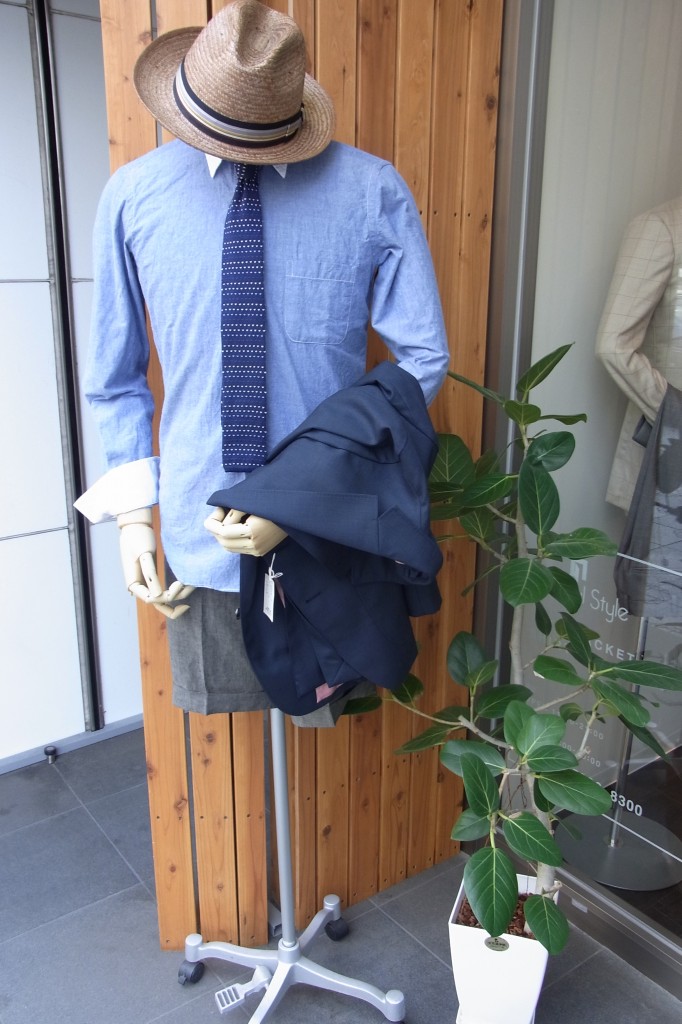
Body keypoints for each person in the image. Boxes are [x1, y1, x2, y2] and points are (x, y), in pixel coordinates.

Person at [76, 0, 449, 717]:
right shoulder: (134, 197)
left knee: (318, 709)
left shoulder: (370, 191)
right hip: (198, 532)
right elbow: (115, 376)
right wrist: (133, 520)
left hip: (327, 530)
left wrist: (302, 491)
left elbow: (423, 357)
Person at [596, 195, 682, 511]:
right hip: (671, 456)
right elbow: (614, 345)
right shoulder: (661, 227)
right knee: (665, 541)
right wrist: (675, 415)